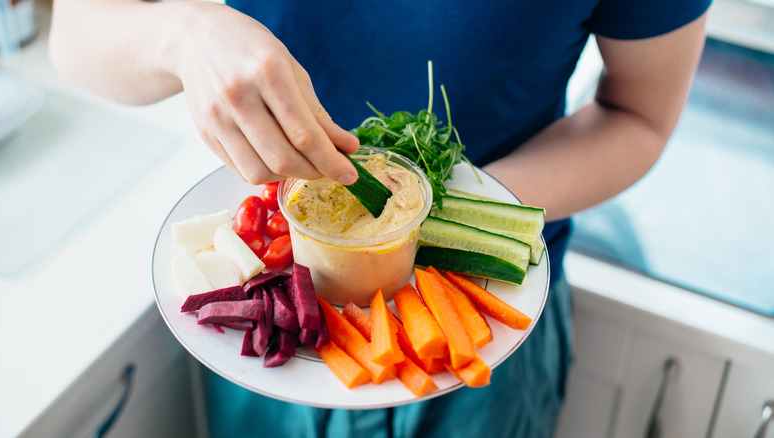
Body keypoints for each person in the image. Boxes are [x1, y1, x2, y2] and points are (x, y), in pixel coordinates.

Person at [48, 1, 712, 436]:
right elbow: (76, 35)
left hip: (474, 335)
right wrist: (181, 34)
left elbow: (640, 116)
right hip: (277, 338)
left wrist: (437, 215)